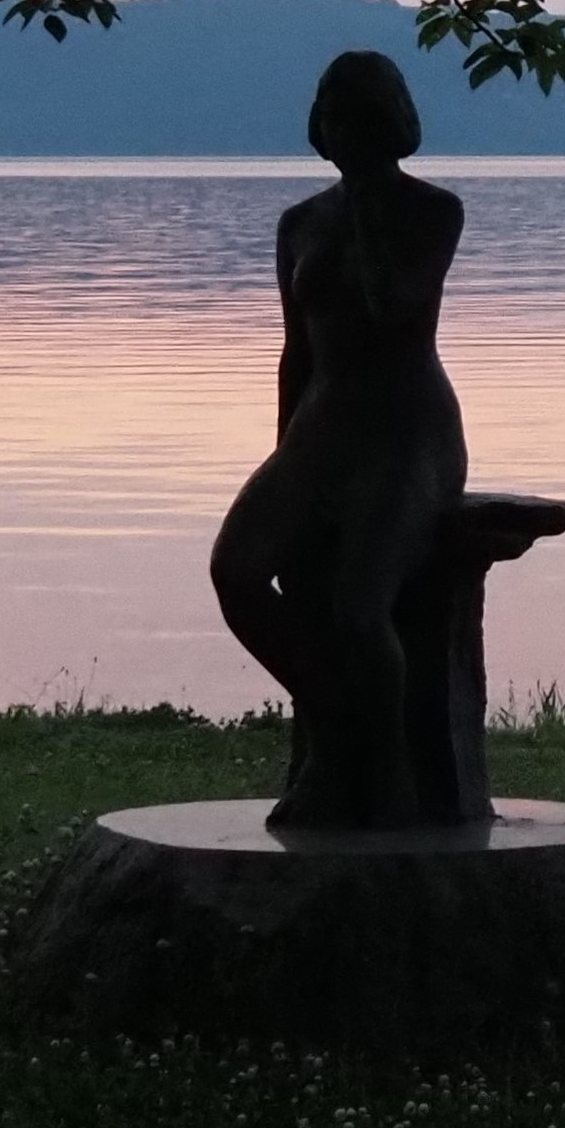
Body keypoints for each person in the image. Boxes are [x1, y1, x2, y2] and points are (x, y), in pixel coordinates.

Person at [209, 51, 473, 828]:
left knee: (361, 611)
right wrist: (285, 455)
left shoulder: (433, 213)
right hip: (322, 432)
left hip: (407, 432)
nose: (344, 132)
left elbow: (394, 308)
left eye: (361, 118)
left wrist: (365, 205)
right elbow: (296, 350)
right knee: (238, 572)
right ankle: (338, 736)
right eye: (334, 116)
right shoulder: (299, 224)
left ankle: (377, 767)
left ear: (392, 124)